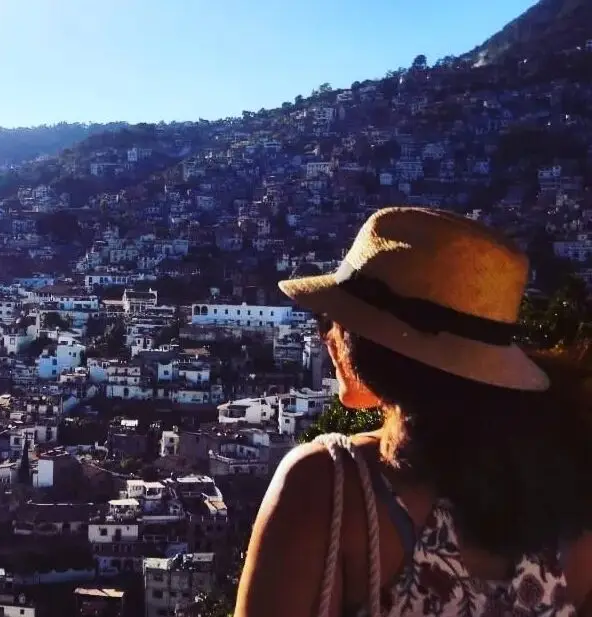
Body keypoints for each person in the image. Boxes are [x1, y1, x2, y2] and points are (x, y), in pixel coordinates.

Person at [234, 207, 592, 617]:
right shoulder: (574, 506)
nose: (326, 335)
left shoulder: (330, 488)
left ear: (361, 345)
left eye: (331, 320)